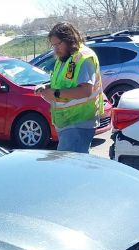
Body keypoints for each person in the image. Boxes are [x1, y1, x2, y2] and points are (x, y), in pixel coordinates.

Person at [34, 22, 104, 153]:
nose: (55, 49)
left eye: (58, 44)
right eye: (53, 45)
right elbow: (62, 84)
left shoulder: (83, 58)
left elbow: (85, 90)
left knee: (68, 166)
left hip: (79, 121)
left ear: (69, 39)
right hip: (67, 122)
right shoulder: (63, 58)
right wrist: (46, 86)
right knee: (77, 165)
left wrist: (55, 94)